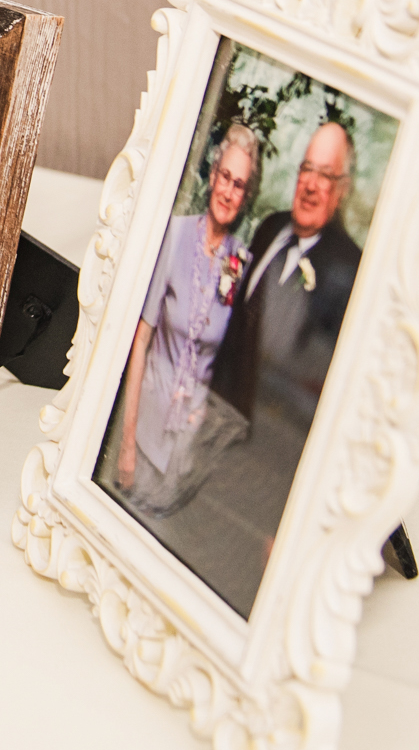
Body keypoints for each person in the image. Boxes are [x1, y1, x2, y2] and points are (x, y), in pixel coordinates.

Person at [115, 123, 259, 515]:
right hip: (143, 430)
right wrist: (126, 441)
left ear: (245, 197)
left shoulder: (240, 263)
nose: (228, 191)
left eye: (239, 185)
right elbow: (140, 340)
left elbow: (232, 364)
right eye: (225, 177)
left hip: (189, 446)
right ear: (212, 176)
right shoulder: (175, 235)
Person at [213, 120, 366, 426]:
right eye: (307, 169)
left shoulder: (350, 270)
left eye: (324, 174)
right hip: (217, 409)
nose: (310, 184)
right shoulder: (270, 228)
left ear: (342, 190)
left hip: (278, 432)